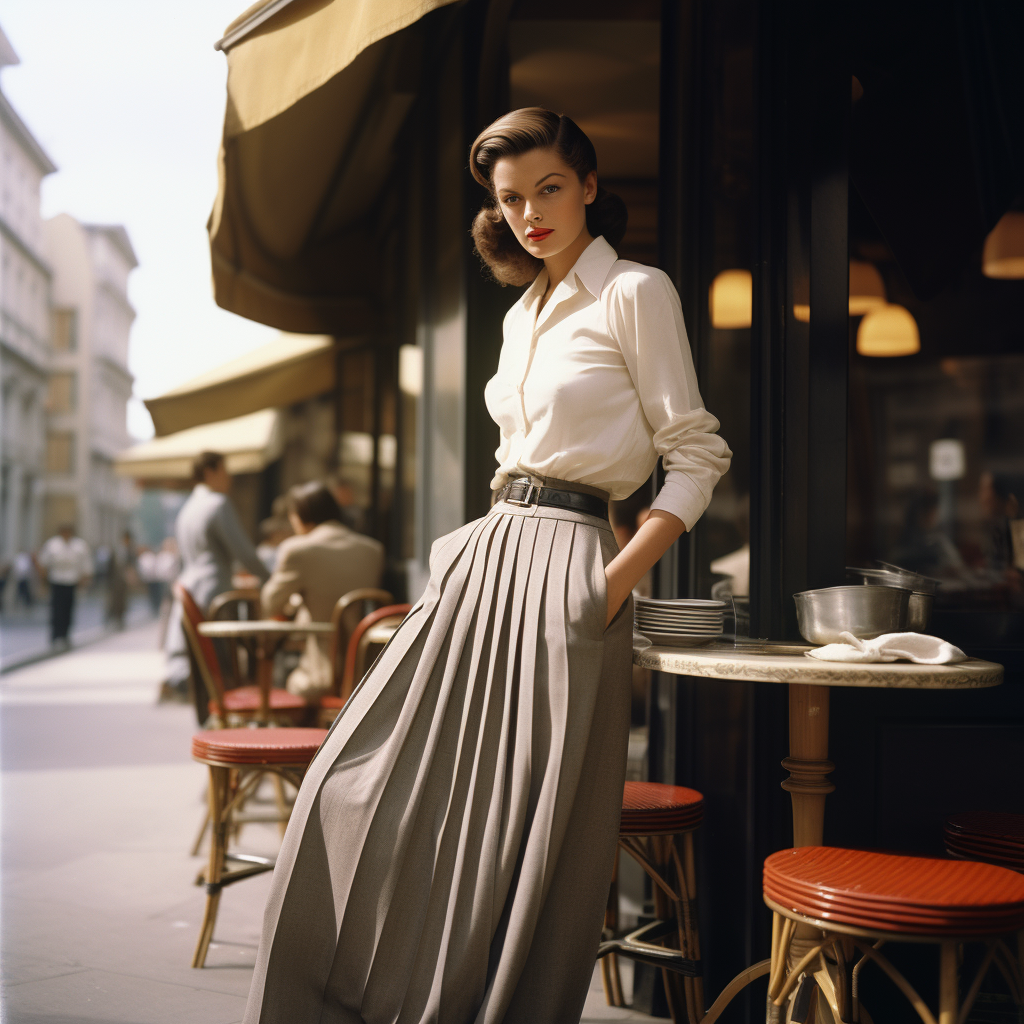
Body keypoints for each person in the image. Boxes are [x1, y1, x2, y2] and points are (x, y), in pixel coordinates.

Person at [243, 108, 731, 1024]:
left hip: (576, 568)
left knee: (519, 829)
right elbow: (516, 453)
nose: (530, 213)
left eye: (548, 188)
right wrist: (469, 543)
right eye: (510, 200)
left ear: (589, 185)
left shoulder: (635, 290)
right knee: (352, 784)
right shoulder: (519, 316)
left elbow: (696, 453)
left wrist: (610, 583)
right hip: (486, 557)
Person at [162, 451, 270, 704]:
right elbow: (245, 554)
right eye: (225, 470)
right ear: (210, 472)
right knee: (224, 664)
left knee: (205, 664)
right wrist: (270, 578)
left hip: (190, 589)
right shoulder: (217, 504)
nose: (229, 478)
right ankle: (232, 713)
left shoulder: (186, 509)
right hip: (215, 593)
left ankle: (213, 715)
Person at [261, 482, 385, 701]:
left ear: (299, 516)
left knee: (282, 681)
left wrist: (297, 599)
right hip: (366, 671)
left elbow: (270, 603)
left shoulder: (298, 550)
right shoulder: (373, 550)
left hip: (319, 672)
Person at [35, 524, 92, 649]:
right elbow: (43, 563)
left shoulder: (79, 545)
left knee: (68, 608)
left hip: (71, 581)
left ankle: (65, 635)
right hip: (56, 580)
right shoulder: (52, 545)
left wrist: (84, 580)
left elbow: (86, 565)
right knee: (56, 609)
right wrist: (43, 582)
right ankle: (56, 635)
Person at [106, 529, 136, 629]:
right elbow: (110, 566)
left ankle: (120, 618)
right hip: (115, 580)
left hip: (124, 580)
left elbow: (132, 565)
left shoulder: (130, 551)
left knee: (123, 601)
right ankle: (111, 617)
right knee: (113, 600)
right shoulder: (115, 550)